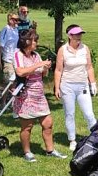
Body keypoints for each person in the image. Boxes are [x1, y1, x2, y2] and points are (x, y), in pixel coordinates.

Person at [13, 30, 65, 161]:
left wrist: (46, 67)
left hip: (39, 95)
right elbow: (20, 72)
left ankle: (50, 150)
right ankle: (27, 152)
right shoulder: (18, 55)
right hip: (26, 95)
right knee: (27, 126)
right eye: (34, 40)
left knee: (48, 123)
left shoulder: (36, 55)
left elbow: (43, 74)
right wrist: (39, 64)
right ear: (26, 42)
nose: (36, 43)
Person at [54, 24, 98, 151]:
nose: (79, 37)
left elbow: (89, 67)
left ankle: (95, 137)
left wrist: (93, 83)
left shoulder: (85, 48)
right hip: (67, 86)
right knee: (70, 114)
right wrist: (57, 88)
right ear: (70, 36)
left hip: (83, 85)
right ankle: (72, 140)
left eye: (80, 35)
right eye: (76, 35)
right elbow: (58, 70)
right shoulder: (63, 50)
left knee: (89, 114)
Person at [0, 12, 20, 82]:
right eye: (15, 19)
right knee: (10, 81)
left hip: (15, 59)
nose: (17, 21)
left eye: (18, 19)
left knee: (15, 81)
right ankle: (5, 93)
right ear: (10, 20)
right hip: (8, 59)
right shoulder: (5, 30)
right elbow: (0, 46)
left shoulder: (16, 30)